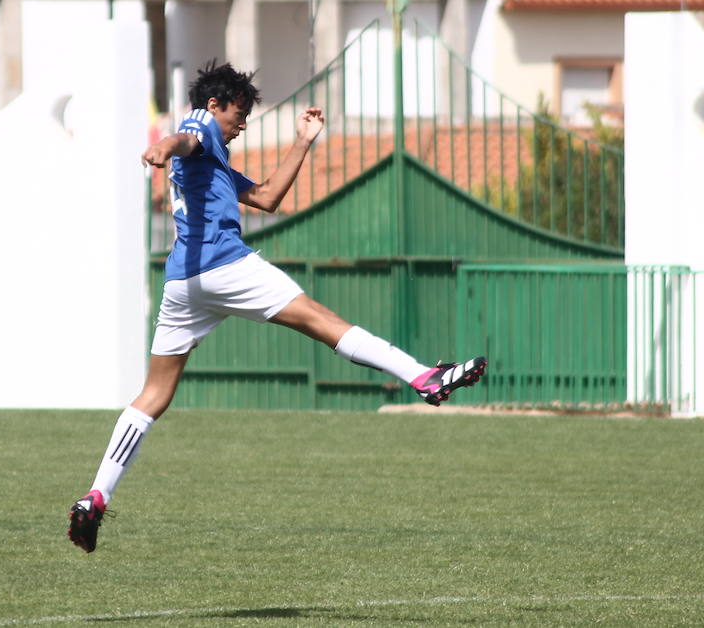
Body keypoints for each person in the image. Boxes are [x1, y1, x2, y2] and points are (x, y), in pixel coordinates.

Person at [67, 61, 486, 553]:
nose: (242, 125)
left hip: (183, 281)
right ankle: (423, 377)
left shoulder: (214, 162)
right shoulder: (200, 125)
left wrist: (303, 142)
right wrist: (164, 145)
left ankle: (97, 495)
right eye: (239, 114)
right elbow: (186, 137)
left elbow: (266, 197)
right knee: (323, 321)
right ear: (215, 105)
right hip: (224, 264)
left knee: (153, 395)